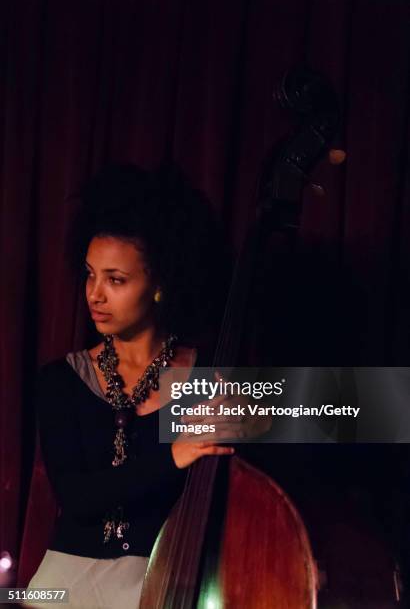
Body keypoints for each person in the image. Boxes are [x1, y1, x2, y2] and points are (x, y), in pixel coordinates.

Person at [23, 164, 264, 609]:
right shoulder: (61, 378)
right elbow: (77, 498)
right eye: (90, 274)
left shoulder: (206, 378)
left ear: (158, 285)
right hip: (59, 588)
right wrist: (175, 453)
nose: (94, 294)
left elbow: (356, 409)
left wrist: (263, 416)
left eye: (116, 280)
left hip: (162, 584)